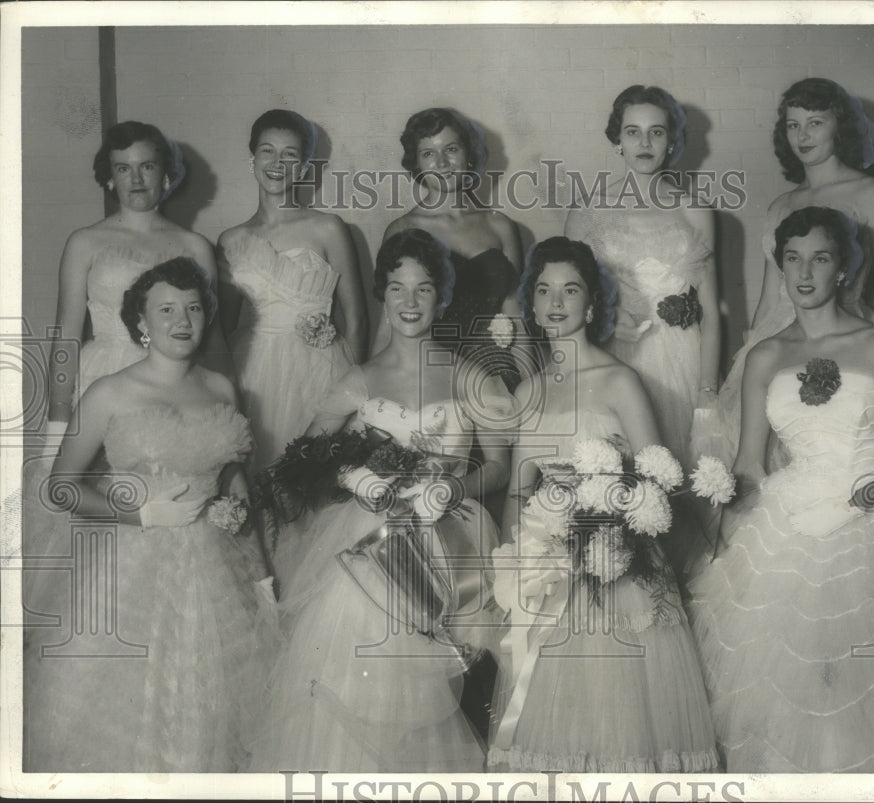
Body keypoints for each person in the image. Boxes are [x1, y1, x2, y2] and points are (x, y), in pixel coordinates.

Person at [686, 207, 874, 772]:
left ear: (843, 268)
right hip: (785, 522)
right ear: (780, 267)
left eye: (820, 258)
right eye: (792, 259)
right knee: (785, 685)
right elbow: (749, 464)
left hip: (871, 517)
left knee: (868, 686)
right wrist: (724, 547)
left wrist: (859, 500)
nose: (804, 272)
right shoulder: (765, 355)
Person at [247, 228, 511, 772]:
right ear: (382, 296)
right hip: (371, 541)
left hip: (451, 538)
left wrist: (453, 486)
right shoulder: (359, 378)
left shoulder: (471, 377)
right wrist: (350, 475)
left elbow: (500, 465)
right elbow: (304, 459)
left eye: (423, 289)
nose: (409, 302)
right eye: (397, 288)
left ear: (442, 297)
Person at [23, 258, 268, 772]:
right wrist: (142, 515)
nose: (182, 320)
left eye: (193, 308)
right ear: (141, 321)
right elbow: (61, 487)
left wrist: (257, 563)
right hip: (130, 563)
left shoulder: (222, 388)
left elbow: (234, 479)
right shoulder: (110, 392)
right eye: (166, 309)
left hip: (214, 568)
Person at [487, 236, 719, 773]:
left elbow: (657, 478)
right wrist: (514, 568)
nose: (556, 302)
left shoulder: (620, 381)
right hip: (546, 572)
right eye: (544, 290)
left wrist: (610, 529)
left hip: (616, 572)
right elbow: (519, 491)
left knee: (619, 730)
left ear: (592, 305)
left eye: (571, 290)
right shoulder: (526, 393)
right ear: (531, 304)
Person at [704, 77, 874, 469]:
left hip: (844, 338)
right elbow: (768, 300)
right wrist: (746, 364)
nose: (802, 135)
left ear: (839, 126)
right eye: (793, 125)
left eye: (815, 123)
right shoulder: (782, 204)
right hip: (779, 345)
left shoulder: (870, 195)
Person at [565, 85, 720, 472]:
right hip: (616, 356)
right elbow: (569, 306)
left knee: (680, 479)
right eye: (633, 131)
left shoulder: (695, 210)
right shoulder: (587, 213)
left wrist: (707, 392)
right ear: (617, 140)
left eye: (657, 132)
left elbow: (711, 312)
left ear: (671, 141)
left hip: (683, 359)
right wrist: (606, 318)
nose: (645, 143)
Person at [44, 121, 223, 450]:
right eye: (124, 168)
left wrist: (224, 410)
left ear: (165, 173)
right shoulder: (84, 242)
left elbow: (214, 341)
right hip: (101, 378)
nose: (136, 179)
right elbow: (66, 337)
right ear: (110, 177)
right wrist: (57, 421)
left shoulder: (196, 247)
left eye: (147, 166)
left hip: (174, 382)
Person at [218, 109, 366, 476]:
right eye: (267, 150)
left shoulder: (328, 228)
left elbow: (357, 319)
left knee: (314, 480)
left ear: (302, 167)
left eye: (290, 154)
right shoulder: (231, 240)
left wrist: (353, 394)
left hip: (319, 372)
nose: (277, 163)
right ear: (252, 159)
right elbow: (222, 329)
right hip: (251, 373)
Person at [377, 107, 524, 389]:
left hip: (495, 373)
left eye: (451, 149)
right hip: (427, 374)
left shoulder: (500, 227)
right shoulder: (402, 230)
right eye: (428, 153)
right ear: (417, 163)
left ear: (468, 154)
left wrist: (531, 388)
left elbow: (516, 317)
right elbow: (388, 322)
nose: (442, 162)